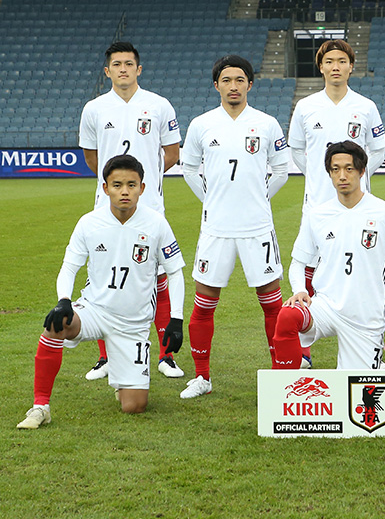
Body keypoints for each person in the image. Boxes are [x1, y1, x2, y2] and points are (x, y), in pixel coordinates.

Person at [17, 155, 185, 428]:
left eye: (132, 184)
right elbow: (69, 267)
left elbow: (175, 272)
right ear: (105, 188)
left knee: (134, 407)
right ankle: (40, 406)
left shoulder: (156, 224)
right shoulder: (89, 222)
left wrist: (175, 319)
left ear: (142, 188)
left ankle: (122, 377)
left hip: (133, 324)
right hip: (95, 310)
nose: (124, 191)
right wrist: (63, 301)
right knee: (56, 324)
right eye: (117, 184)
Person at [180, 55, 290, 398]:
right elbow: (188, 169)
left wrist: (257, 198)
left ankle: (278, 376)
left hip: (258, 227)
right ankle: (202, 377)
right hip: (216, 229)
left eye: (240, 80)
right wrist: (213, 200)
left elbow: (282, 170)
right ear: (217, 85)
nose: (233, 86)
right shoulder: (201, 124)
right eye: (226, 80)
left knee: (272, 303)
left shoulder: (267, 123)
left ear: (250, 85)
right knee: (204, 303)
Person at [78, 41, 184, 380]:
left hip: (149, 206)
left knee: (158, 278)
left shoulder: (159, 105)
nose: (123, 69)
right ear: (107, 71)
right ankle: (106, 356)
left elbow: (171, 153)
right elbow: (93, 159)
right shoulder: (94, 108)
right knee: (103, 280)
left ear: (139, 69)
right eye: (116, 64)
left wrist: (143, 183)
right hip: (106, 209)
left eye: (129, 64)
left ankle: (167, 355)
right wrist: (115, 186)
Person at [287, 39, 385, 365]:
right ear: (320, 66)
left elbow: (379, 151)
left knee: (364, 270)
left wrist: (357, 183)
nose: (335, 67)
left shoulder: (366, 106)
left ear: (350, 66)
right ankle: (303, 352)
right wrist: (323, 181)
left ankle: (365, 342)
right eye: (329, 61)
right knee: (310, 269)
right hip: (317, 205)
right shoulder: (305, 107)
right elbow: (298, 152)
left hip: (358, 208)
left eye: (341, 61)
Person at [273, 141, 385, 369]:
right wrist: (300, 290)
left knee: (360, 395)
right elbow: (297, 263)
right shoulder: (317, 215)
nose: (342, 176)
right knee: (287, 316)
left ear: (362, 171)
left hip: (365, 316)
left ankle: (374, 366)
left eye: (349, 168)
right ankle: (285, 391)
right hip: (325, 307)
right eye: (335, 169)